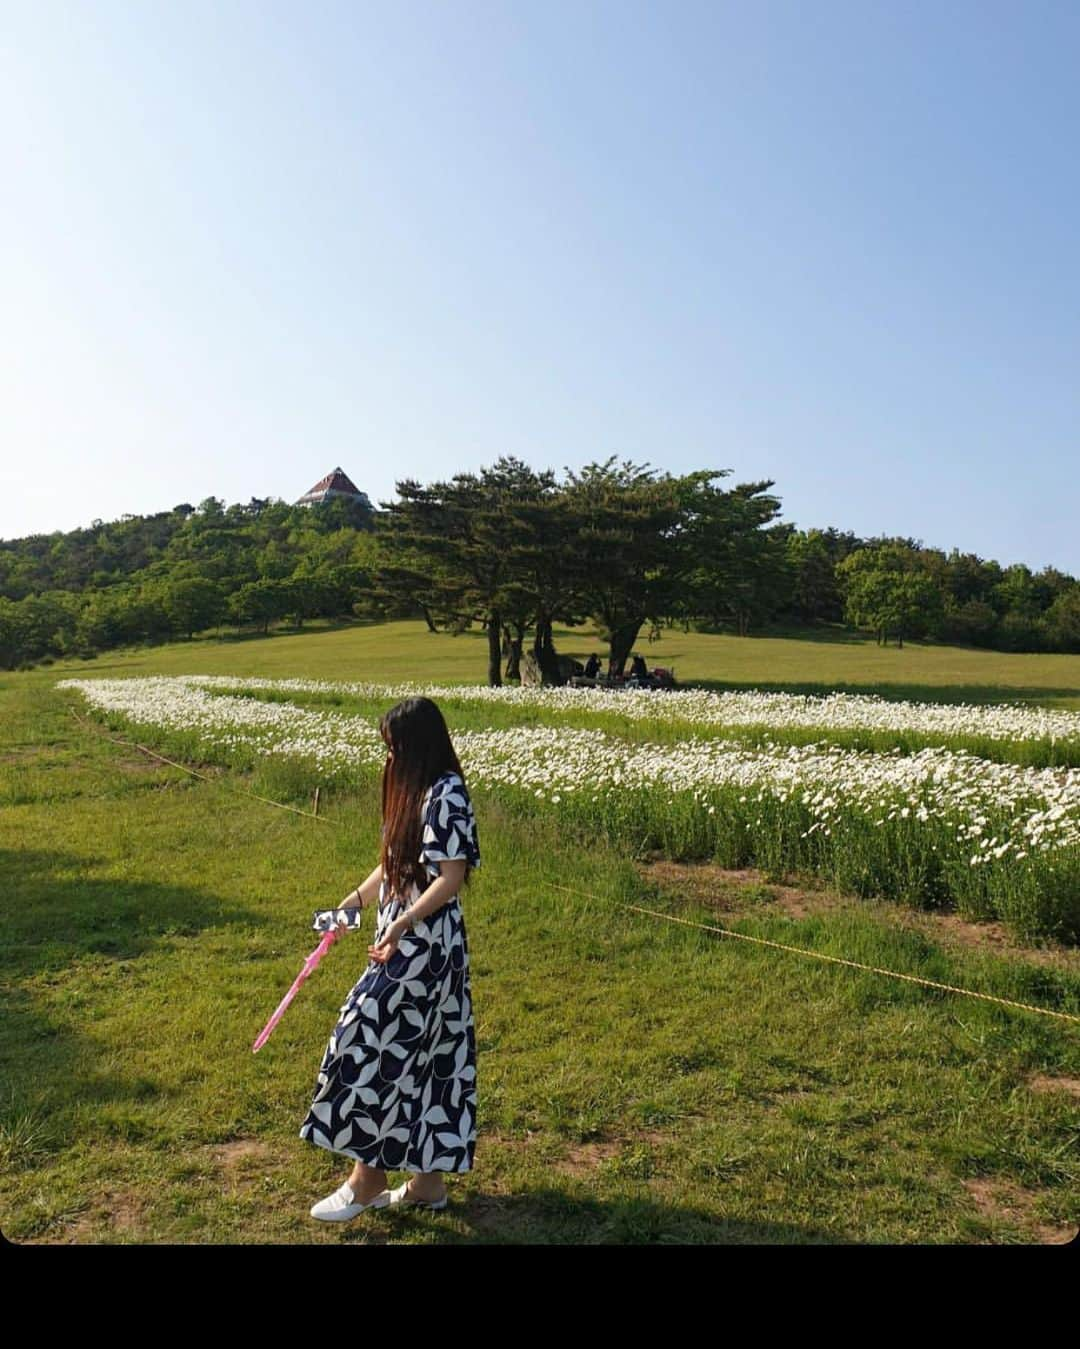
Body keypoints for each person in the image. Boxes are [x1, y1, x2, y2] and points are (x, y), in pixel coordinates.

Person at [300, 696, 481, 1222]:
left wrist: (403, 922)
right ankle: (426, 1185)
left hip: (426, 949)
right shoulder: (411, 789)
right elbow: (392, 866)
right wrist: (347, 908)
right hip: (400, 940)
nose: (389, 756)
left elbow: (449, 877)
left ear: (418, 745)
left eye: (396, 746)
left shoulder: (446, 793)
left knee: (366, 1038)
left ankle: (367, 1180)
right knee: (427, 1057)